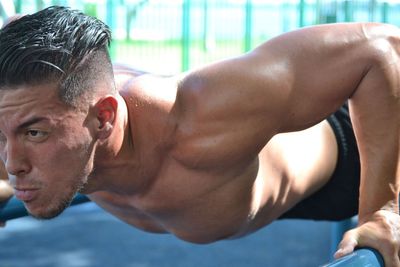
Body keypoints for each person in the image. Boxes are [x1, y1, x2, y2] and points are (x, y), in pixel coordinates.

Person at [0, 5, 399, 266]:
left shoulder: (198, 119)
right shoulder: (39, 112)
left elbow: (380, 48)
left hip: (355, 155)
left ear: (103, 118)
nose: (12, 163)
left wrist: (383, 210)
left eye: (34, 133)